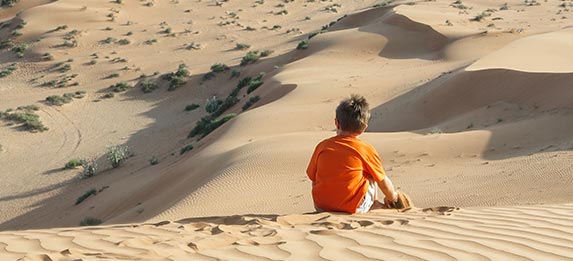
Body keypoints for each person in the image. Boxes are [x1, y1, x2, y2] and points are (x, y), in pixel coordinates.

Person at [306, 94, 401, 214]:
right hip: (354, 207)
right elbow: (383, 182)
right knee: (371, 173)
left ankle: (330, 201)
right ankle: (373, 204)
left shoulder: (322, 146)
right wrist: (393, 198)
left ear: (336, 123)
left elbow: (312, 176)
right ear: (364, 128)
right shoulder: (365, 149)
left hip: (321, 206)